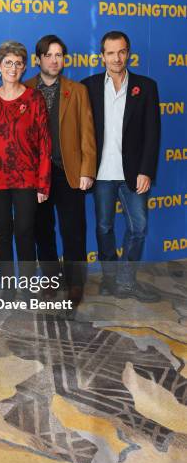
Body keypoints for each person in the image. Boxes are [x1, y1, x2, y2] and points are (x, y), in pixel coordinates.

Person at [82, 31, 161, 301]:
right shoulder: (88, 86)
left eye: (122, 51)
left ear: (128, 53)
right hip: (101, 173)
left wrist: (147, 170)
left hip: (134, 174)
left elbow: (153, 133)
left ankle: (126, 280)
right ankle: (109, 277)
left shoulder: (146, 87)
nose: (117, 58)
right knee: (104, 228)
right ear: (102, 56)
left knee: (138, 228)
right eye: (111, 52)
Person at [24, 35, 96, 305]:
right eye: (49, 55)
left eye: (59, 55)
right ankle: (51, 279)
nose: (55, 61)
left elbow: (87, 134)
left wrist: (87, 170)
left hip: (70, 173)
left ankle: (76, 282)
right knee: (42, 230)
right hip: (37, 176)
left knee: (74, 231)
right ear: (38, 59)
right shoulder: (26, 88)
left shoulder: (77, 91)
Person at [0, 41, 51, 286]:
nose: (12, 68)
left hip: (27, 178)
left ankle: (29, 285)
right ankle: (7, 286)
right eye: (8, 62)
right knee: (1, 233)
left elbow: (44, 142)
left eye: (18, 63)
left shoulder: (34, 98)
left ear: (24, 68)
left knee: (24, 232)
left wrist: (43, 183)